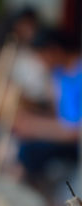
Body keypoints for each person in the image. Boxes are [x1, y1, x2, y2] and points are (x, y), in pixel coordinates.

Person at [14, 28, 81, 178]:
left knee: (28, 152)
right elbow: (57, 113)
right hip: (65, 134)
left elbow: (75, 131)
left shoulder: (78, 72)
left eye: (42, 57)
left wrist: (35, 127)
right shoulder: (58, 74)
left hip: (75, 144)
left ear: (54, 50)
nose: (42, 63)